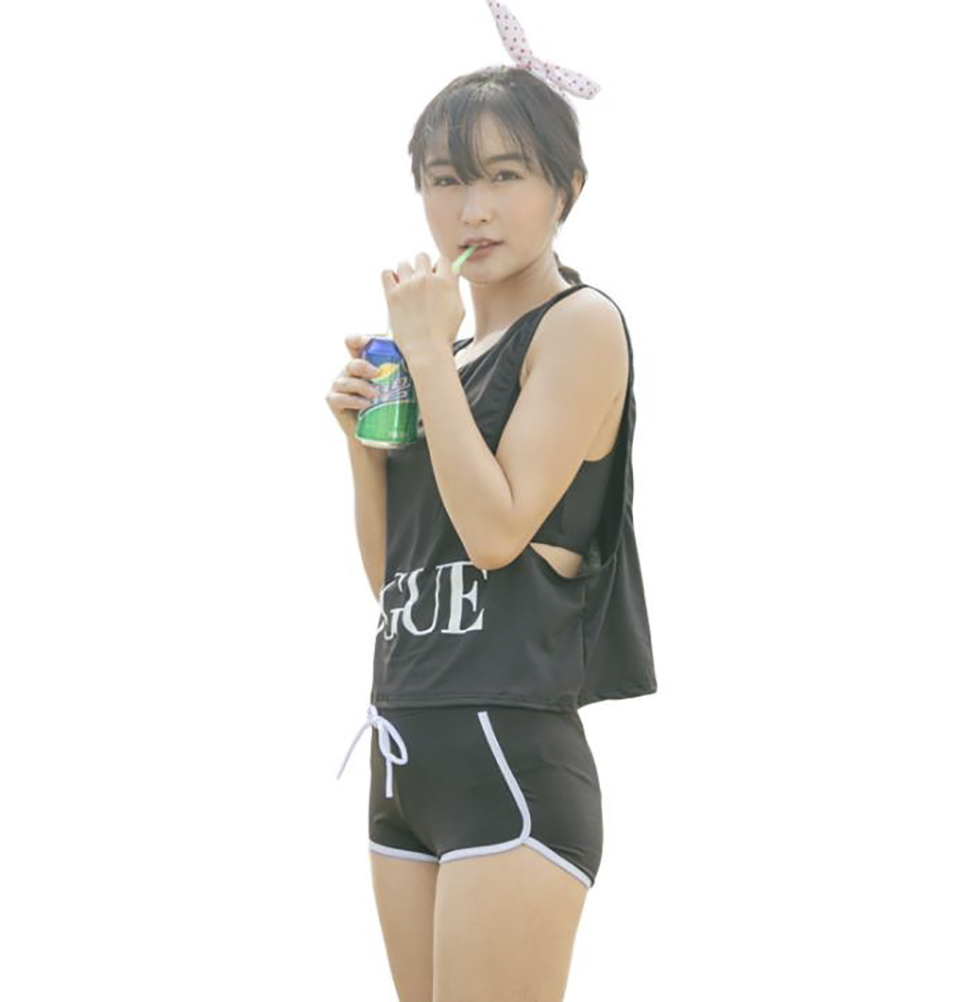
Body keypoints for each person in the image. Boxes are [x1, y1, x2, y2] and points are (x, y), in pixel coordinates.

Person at [326, 53, 656, 1002]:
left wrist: (427, 356)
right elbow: (399, 583)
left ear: (567, 189)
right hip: (405, 752)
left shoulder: (580, 325)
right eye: (446, 180)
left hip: (509, 751)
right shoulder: (449, 362)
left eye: (506, 175)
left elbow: (498, 535)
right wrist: (362, 448)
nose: (474, 208)